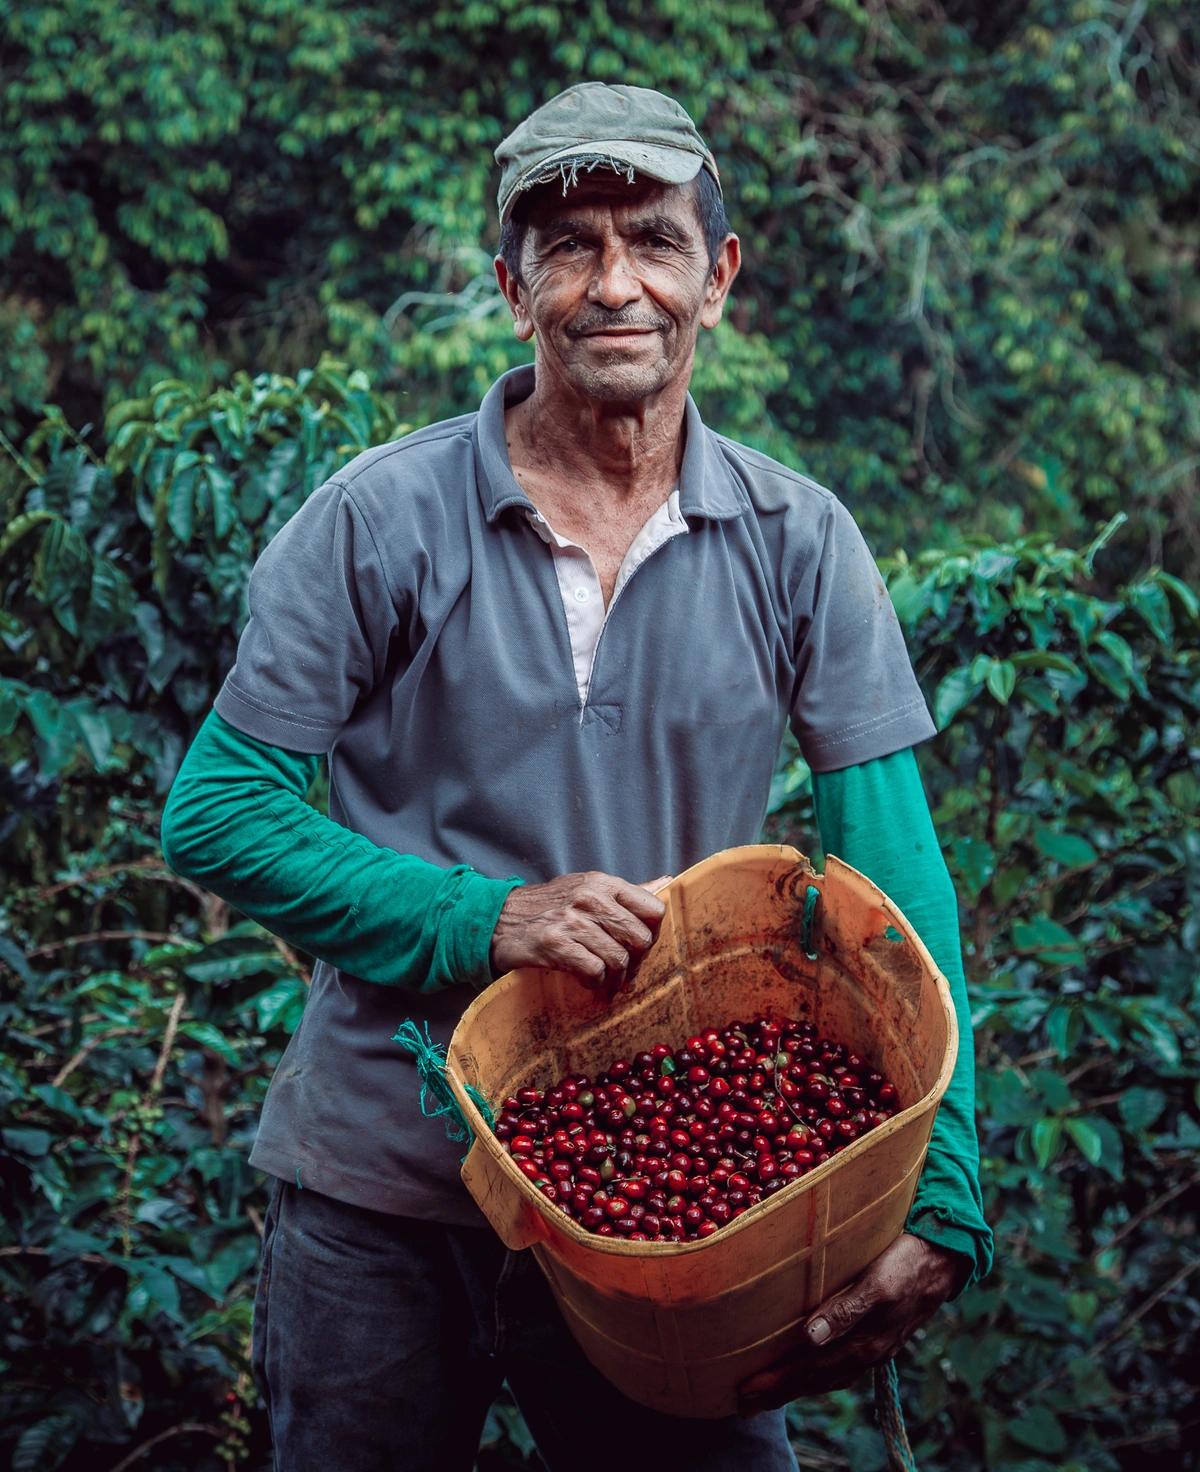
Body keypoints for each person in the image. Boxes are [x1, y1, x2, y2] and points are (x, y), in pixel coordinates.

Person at [161, 81, 992, 1472]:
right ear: (511, 284)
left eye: (654, 241)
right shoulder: (379, 520)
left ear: (717, 277)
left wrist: (946, 1187)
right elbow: (222, 810)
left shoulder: (801, 541)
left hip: (674, 1226)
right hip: (387, 1177)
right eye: (569, 247)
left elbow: (890, 876)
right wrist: (488, 919)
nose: (618, 285)